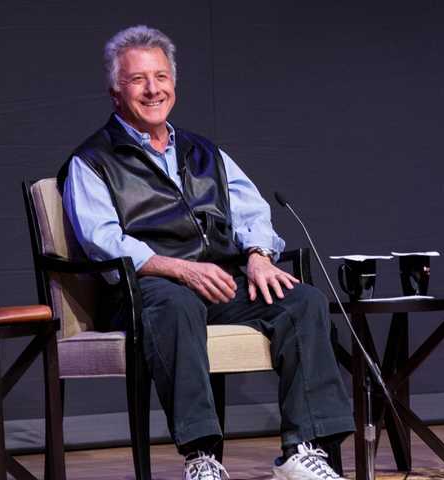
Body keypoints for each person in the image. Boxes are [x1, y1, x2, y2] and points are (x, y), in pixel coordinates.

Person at [57, 25, 354, 480]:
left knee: (303, 301)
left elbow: (250, 209)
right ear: (115, 91)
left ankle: (303, 450)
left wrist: (257, 254)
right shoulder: (92, 161)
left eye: (161, 77)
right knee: (176, 303)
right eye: (138, 80)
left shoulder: (204, 152)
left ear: (174, 83)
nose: (153, 89)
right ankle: (203, 457)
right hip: (145, 293)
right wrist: (178, 269)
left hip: (217, 283)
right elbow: (104, 240)